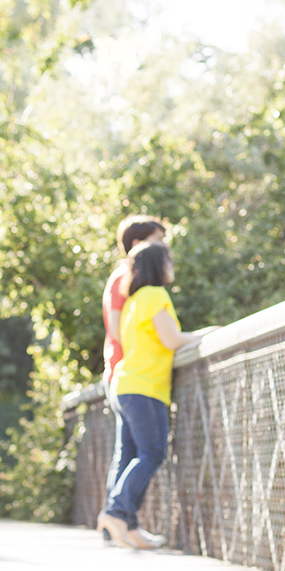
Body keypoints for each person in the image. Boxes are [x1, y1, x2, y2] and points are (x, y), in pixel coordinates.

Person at [98, 242, 208, 550]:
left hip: (128, 385)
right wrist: (207, 333)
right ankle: (116, 510)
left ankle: (127, 524)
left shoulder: (134, 299)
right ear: (158, 265)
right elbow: (171, 339)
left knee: (135, 455)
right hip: (143, 388)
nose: (172, 264)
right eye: (168, 259)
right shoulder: (155, 295)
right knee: (152, 453)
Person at [100, 216, 166, 523]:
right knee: (139, 452)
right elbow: (117, 329)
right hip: (128, 374)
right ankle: (118, 517)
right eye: (159, 240)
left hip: (126, 375)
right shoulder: (125, 279)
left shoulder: (133, 282)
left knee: (128, 453)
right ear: (139, 244)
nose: (165, 247)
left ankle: (119, 522)